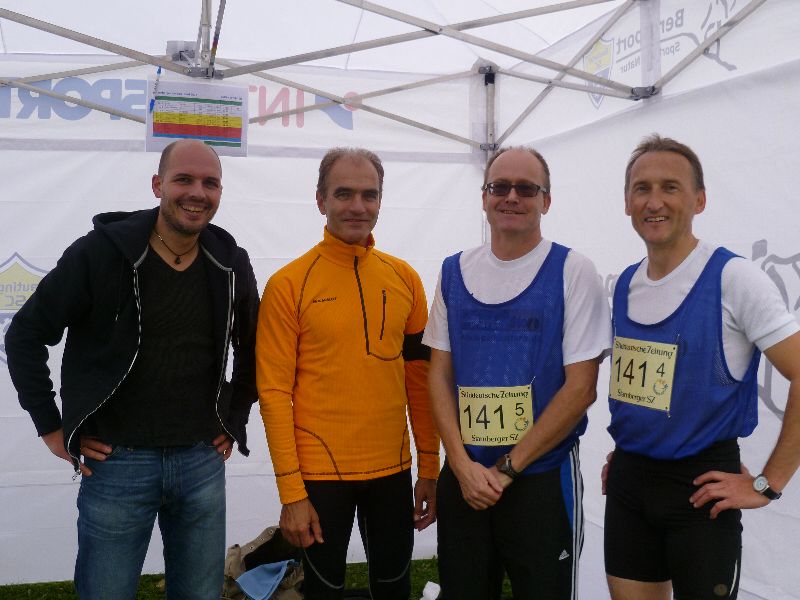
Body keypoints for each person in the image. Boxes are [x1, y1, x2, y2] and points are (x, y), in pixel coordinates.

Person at [5, 139, 259, 600]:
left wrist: (235, 417)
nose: (197, 192)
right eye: (184, 179)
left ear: (220, 192)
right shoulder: (100, 253)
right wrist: (52, 426)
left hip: (201, 461)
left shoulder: (230, 261)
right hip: (117, 463)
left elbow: (254, 349)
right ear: (158, 185)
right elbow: (24, 335)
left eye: (210, 183)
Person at [604, 134, 800, 600]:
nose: (654, 201)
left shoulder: (734, 278)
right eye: (642, 188)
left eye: (670, 187)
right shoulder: (626, 282)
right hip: (630, 483)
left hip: (701, 491)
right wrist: (635, 446)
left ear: (700, 200)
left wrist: (768, 484)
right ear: (627, 202)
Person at [424, 146, 611, 599]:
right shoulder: (453, 271)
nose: (511, 197)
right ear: (483, 196)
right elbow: (439, 376)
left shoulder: (573, 270)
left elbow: (581, 388)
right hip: (466, 478)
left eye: (526, 189)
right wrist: (462, 466)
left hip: (541, 479)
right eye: (499, 187)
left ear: (546, 200)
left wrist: (507, 468)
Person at [255, 147, 440, 600]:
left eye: (368, 195)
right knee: (324, 592)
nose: (358, 206)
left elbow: (420, 380)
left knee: (394, 588)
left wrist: (429, 468)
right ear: (320, 200)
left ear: (380, 200)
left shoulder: (405, 278)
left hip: (392, 470)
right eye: (343, 194)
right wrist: (292, 493)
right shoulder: (288, 284)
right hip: (320, 476)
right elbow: (274, 393)